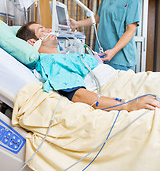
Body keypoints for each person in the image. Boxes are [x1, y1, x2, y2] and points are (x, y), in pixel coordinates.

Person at [16, 22, 160, 112]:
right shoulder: (51, 62)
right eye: (42, 30)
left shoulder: (62, 56)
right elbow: (78, 94)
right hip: (115, 86)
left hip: (123, 78)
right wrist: (127, 105)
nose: (48, 29)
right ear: (31, 42)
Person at [69, 0, 142, 72]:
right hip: (102, 55)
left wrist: (113, 51)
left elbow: (130, 30)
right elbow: (98, 18)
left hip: (121, 59)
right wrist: (77, 24)